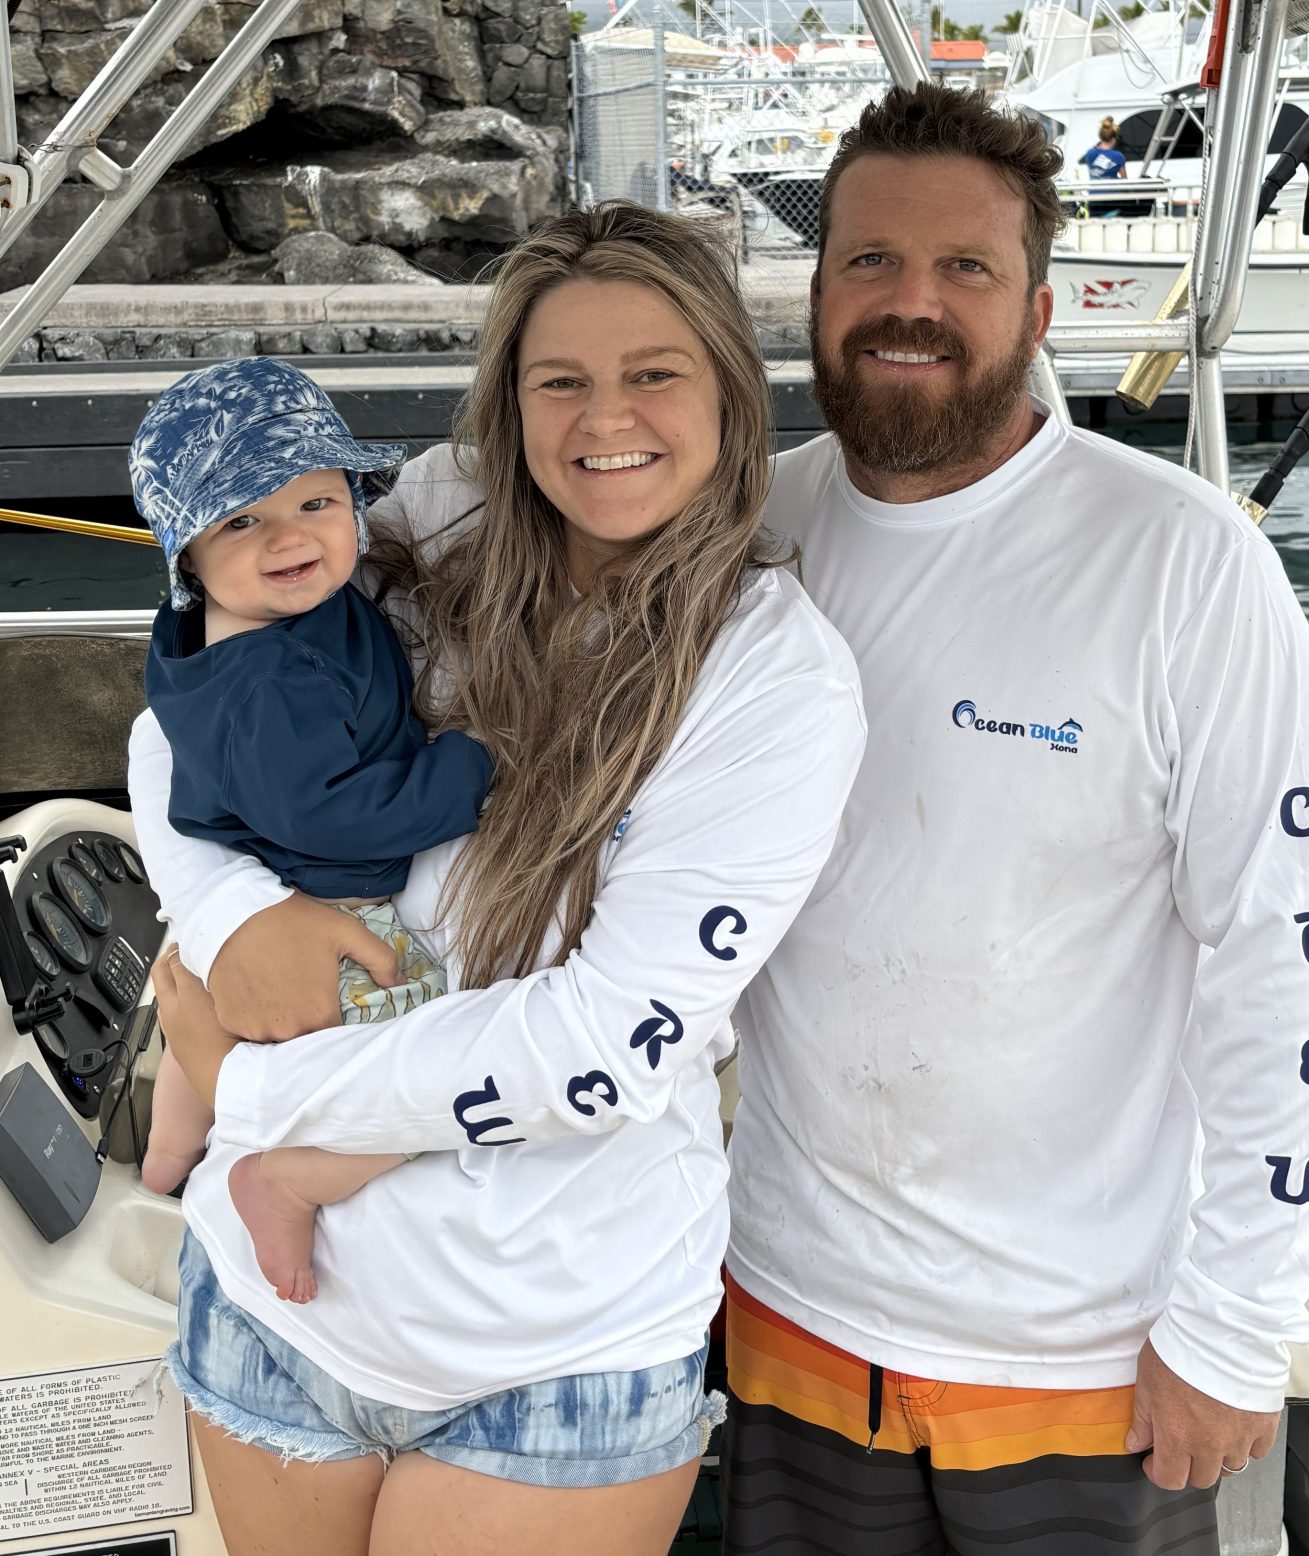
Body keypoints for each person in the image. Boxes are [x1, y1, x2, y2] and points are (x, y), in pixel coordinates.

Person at [129, 203, 866, 1555]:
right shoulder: (433, 513)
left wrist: (247, 1087)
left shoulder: (775, 682)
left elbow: (605, 1049)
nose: (606, 419)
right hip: (271, 1325)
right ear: (509, 403)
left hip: (553, 1362)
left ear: (727, 391)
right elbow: (187, 716)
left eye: (654, 372)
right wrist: (229, 916)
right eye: (559, 381)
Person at [717, 84, 1309, 1554]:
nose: (909, 304)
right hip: (787, 1318)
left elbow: (1284, 963)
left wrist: (1241, 1327)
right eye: (869, 261)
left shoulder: (1185, 565)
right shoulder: (747, 531)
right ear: (814, 291)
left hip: (1081, 1362)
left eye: (965, 270)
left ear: (1043, 305)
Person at [131, 356, 496, 1306]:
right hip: (333, 894)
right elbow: (339, 814)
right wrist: (471, 766)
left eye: (318, 503)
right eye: (242, 521)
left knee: (194, 1011)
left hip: (259, 869)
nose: (290, 539)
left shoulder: (265, 619)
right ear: (190, 557)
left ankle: (168, 1154)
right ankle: (287, 1179)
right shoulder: (270, 682)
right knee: (429, 1063)